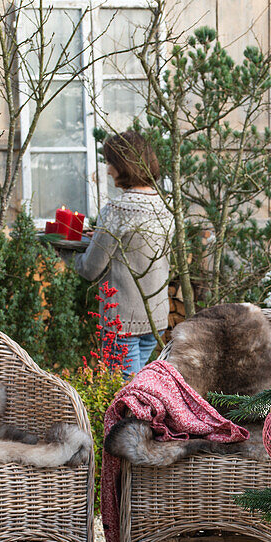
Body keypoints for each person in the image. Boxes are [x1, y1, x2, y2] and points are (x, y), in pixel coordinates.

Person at [75, 131, 172, 378]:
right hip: (156, 319)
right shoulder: (165, 206)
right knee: (140, 391)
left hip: (122, 323)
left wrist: (65, 254)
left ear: (123, 165)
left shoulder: (117, 210)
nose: (107, 170)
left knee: (126, 398)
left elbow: (90, 269)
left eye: (111, 163)